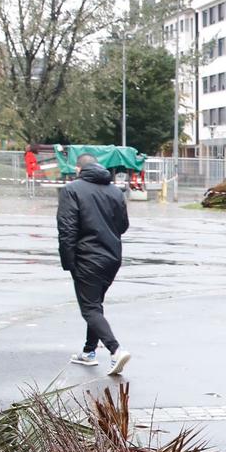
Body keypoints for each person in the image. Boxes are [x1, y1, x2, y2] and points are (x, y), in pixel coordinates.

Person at [56, 154, 131, 374]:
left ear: (79, 168)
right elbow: (123, 226)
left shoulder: (72, 190)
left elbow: (67, 229)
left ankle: (115, 349)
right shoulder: (115, 192)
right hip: (112, 257)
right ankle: (89, 352)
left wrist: (68, 261)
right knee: (95, 305)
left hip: (86, 257)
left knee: (89, 308)